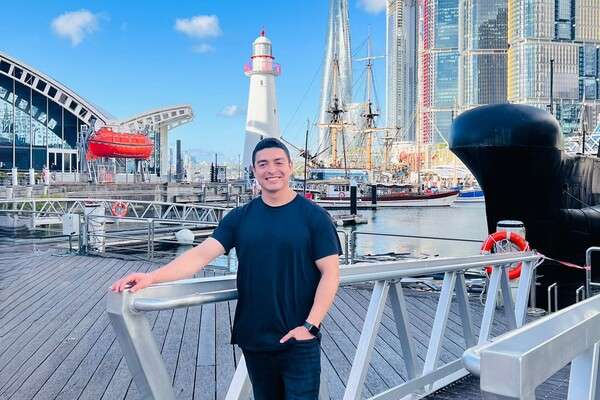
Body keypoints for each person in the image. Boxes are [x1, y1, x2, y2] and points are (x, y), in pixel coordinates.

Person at [111, 138, 341, 400]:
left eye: (278, 162)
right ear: (253, 171)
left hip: (299, 339)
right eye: (262, 164)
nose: (271, 170)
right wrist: (151, 277)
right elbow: (199, 256)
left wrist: (309, 327)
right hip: (255, 337)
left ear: (290, 166)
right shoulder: (240, 218)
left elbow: (330, 273)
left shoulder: (314, 217)